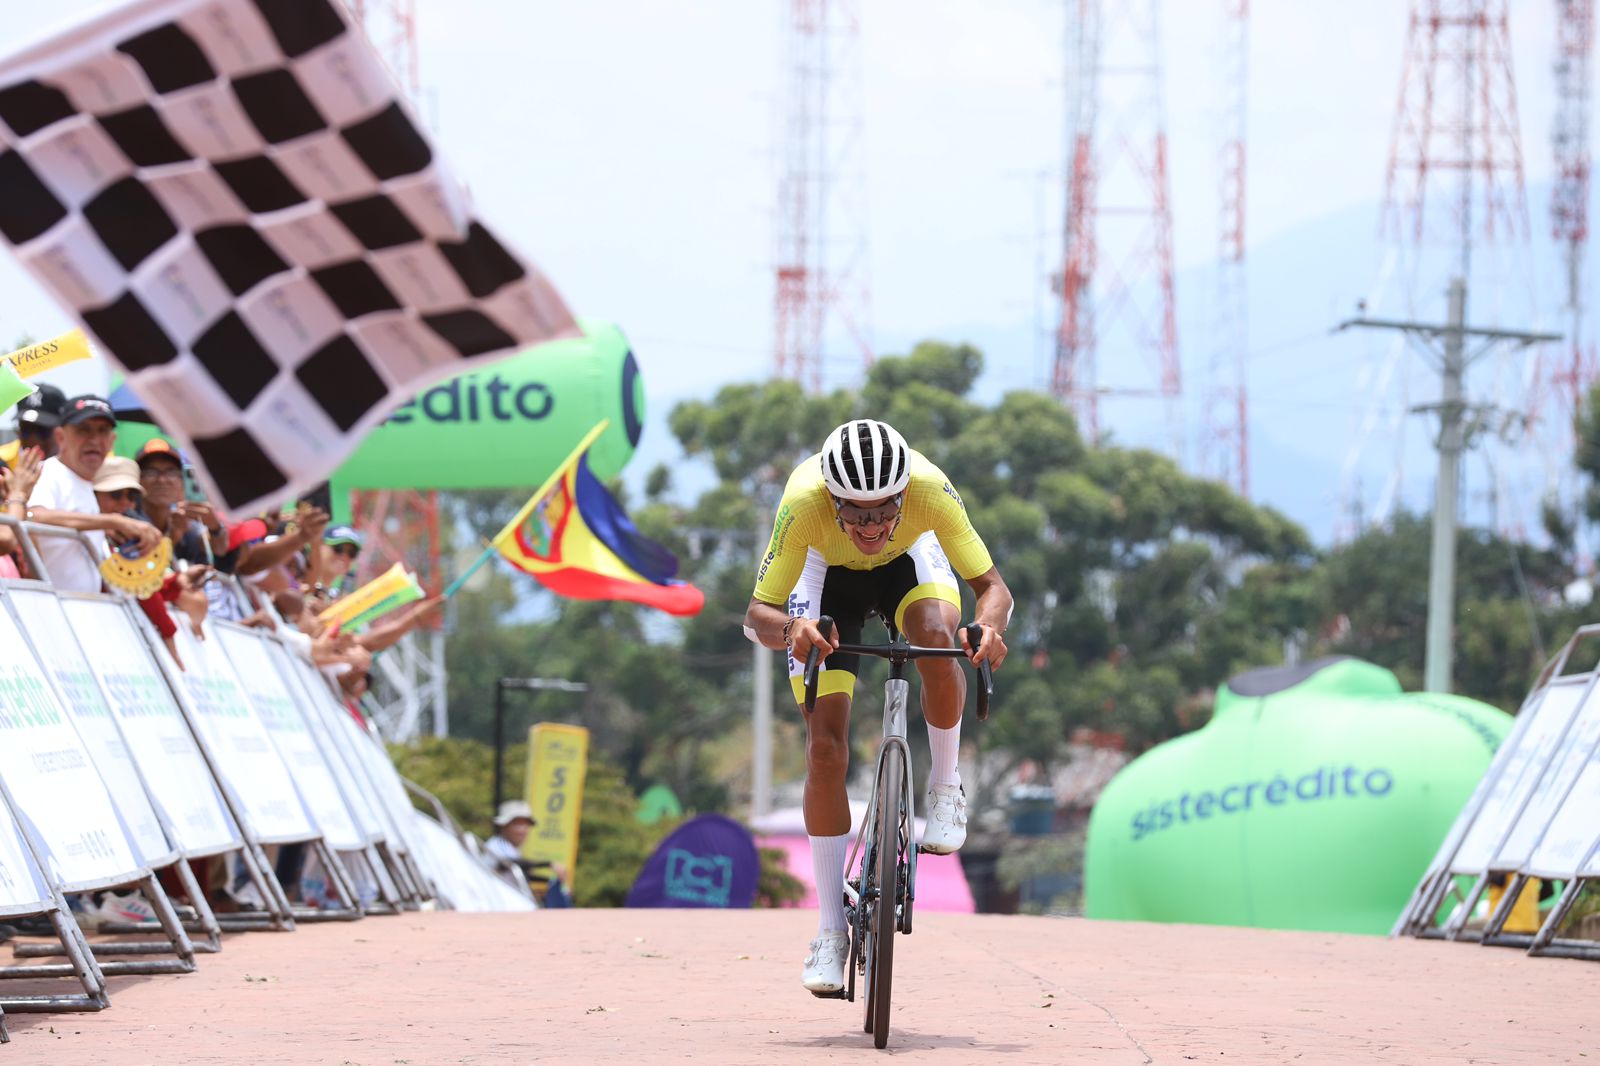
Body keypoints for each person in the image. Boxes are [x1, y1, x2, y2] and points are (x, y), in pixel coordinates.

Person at [742, 418, 1012, 995]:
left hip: (908, 566)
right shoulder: (803, 502)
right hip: (822, 578)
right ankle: (830, 929)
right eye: (857, 513)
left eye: (884, 509)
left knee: (939, 644)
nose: (871, 525)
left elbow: (993, 588)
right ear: (831, 499)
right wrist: (793, 628)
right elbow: (756, 615)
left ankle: (945, 783)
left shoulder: (930, 490)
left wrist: (987, 628)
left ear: (903, 494)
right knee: (824, 750)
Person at [25, 395, 159, 592]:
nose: (94, 440)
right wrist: (114, 521)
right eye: (83, 430)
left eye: (102, 431)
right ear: (61, 437)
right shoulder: (49, 473)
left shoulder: (84, 482)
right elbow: (35, 516)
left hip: (78, 609)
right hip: (51, 610)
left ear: (112, 440)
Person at [135, 438, 227, 565]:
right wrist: (174, 536)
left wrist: (215, 527)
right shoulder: (129, 522)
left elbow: (220, 553)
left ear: (183, 482)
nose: (162, 480)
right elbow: (142, 570)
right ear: (136, 479)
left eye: (171, 472)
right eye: (151, 472)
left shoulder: (186, 520)